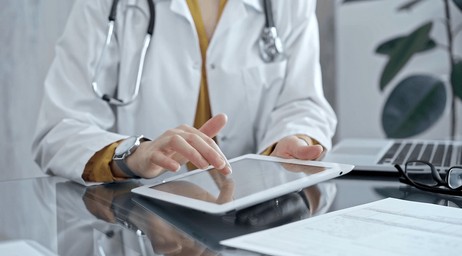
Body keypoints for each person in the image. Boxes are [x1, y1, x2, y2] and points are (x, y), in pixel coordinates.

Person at [32, 0, 337, 185]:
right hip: (136, 229)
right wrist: (133, 155)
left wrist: (292, 141)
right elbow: (58, 131)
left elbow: (303, 101)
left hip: (251, 226)